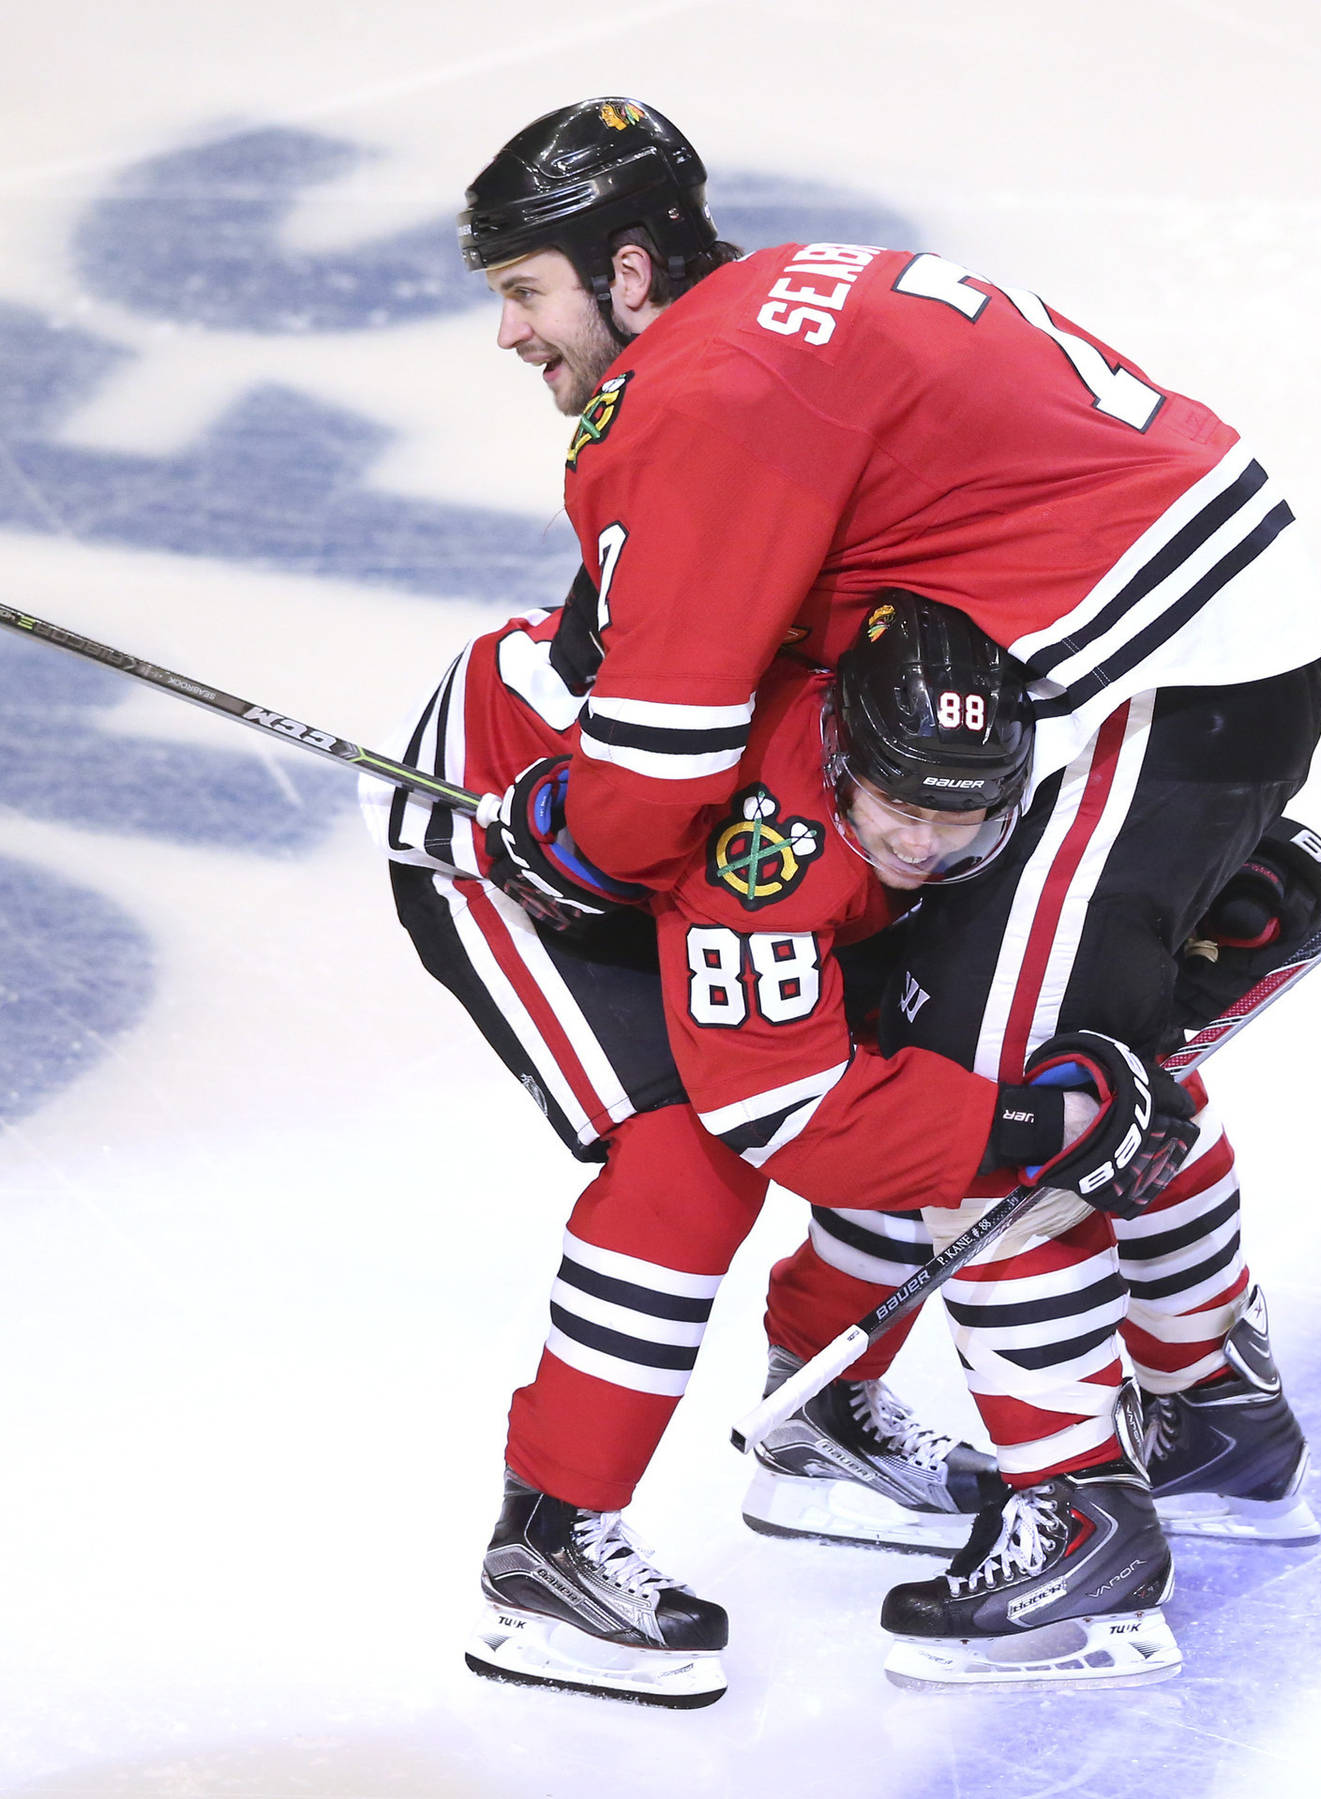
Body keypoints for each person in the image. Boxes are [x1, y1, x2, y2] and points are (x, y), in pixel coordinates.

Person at [445, 94, 1321, 1690]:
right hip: (1187, 670)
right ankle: (1188, 1409)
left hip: (1128, 690)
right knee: (1000, 1086)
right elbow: (773, 1052)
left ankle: (1076, 1521)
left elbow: (651, 785)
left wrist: (575, 835)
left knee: (989, 1080)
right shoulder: (787, 297)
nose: (509, 333)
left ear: (630, 269)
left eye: (526, 290)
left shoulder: (703, 392)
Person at [368, 592, 1201, 1705]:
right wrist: (1036, 1122)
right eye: (900, 802)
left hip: (674, 832)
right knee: (685, 1166)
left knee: (929, 1057)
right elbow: (791, 1113)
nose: (923, 841)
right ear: (845, 752)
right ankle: (547, 1545)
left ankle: (823, 1419)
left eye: (962, 816)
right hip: (506, 835)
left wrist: (1205, 898)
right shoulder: (773, 849)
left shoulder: (977, 759)